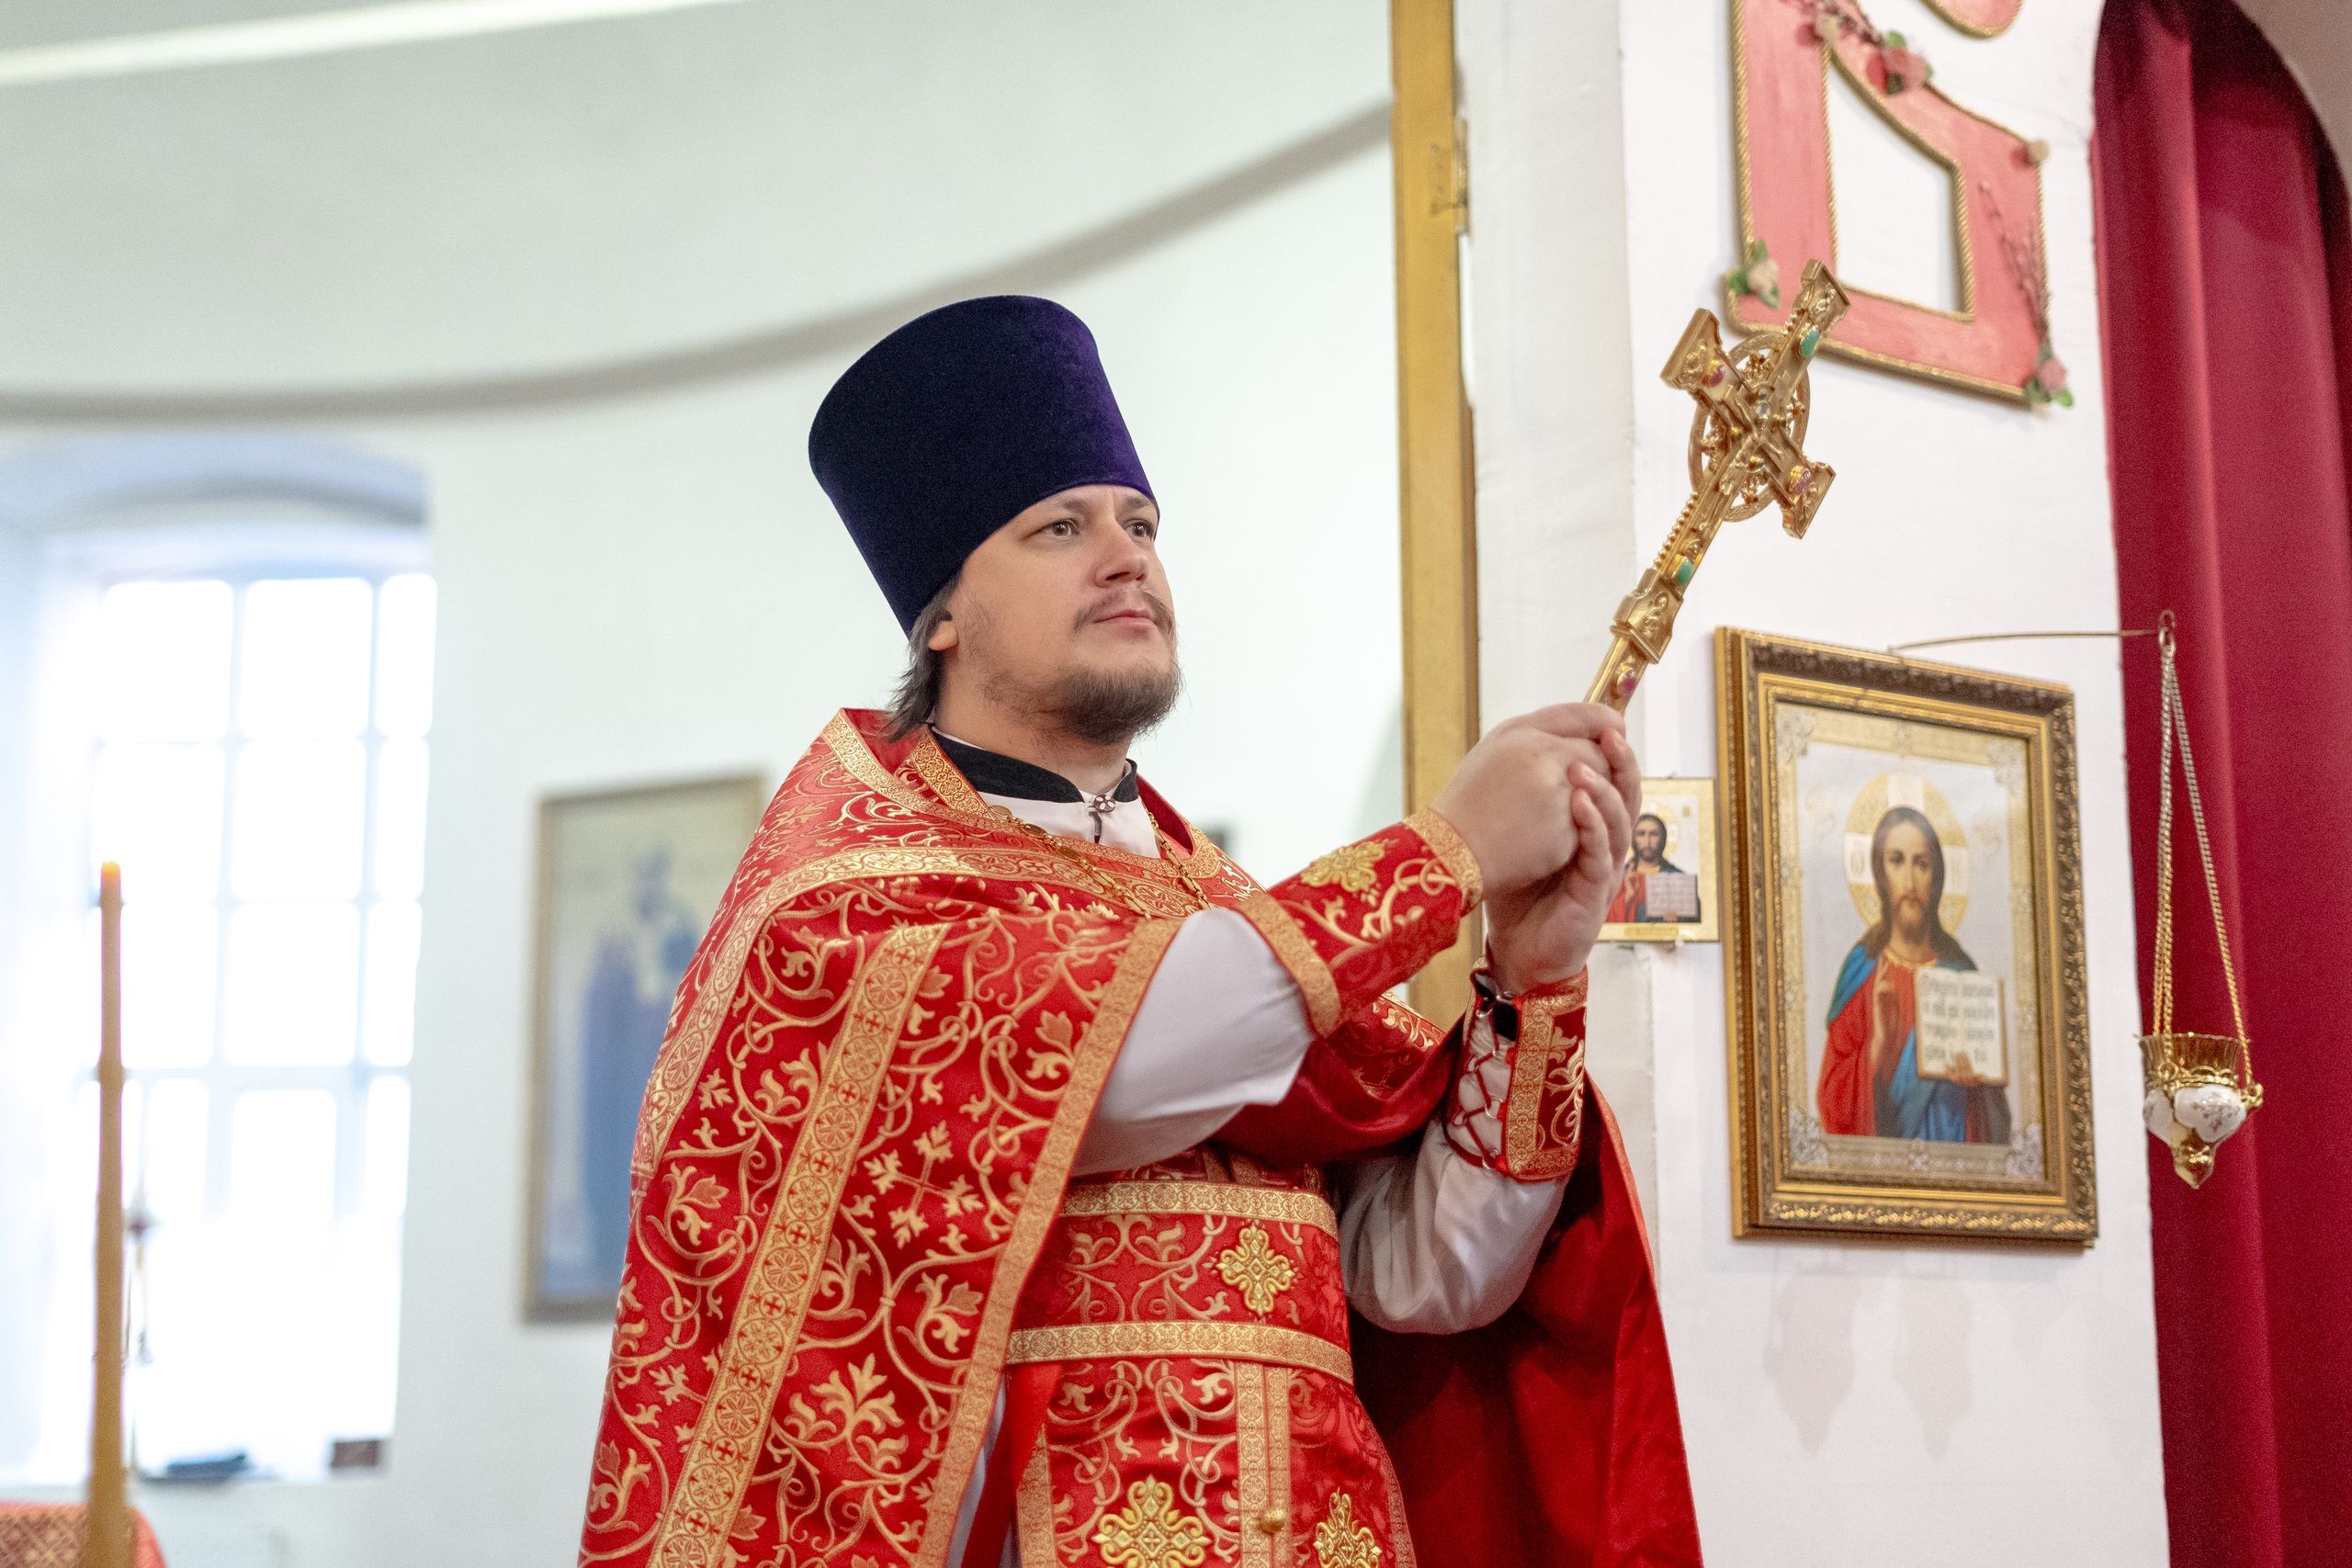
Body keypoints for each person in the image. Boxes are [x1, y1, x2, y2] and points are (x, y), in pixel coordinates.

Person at [575, 297, 1700, 1568]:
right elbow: (1107, 1063)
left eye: (1143, 525)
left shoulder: (1225, 917)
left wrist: (1530, 976)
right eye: (1061, 527)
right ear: (942, 614)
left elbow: (1434, 1273)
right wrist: (1445, 855)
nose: (1127, 559)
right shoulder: (853, 900)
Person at [1815, 805, 2012, 1144]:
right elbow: (1832, 1104)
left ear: (1937, 877)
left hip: (1951, 1163)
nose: (1909, 882)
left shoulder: (1961, 974)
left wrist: (1976, 1088)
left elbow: (1996, 1120)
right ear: (1880, 873)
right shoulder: (1863, 971)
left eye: (1921, 864)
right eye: (1896, 861)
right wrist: (1876, 1046)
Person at [1602, 811, 1695, 924]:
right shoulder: (1619, 878)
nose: (1647, 841)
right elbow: (1603, 921)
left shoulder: (1679, 878)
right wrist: (1628, 897)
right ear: (1633, 838)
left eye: (1654, 834)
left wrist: (1681, 918)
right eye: (1641, 834)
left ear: (1663, 838)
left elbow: (1697, 922)